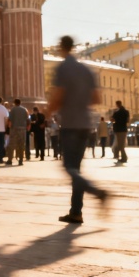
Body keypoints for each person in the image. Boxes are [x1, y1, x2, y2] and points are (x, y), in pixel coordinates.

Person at [46, 35, 109, 224]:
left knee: (70, 168)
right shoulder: (86, 69)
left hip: (71, 124)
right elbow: (97, 98)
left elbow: (59, 95)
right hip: (85, 125)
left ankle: (99, 192)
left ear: (61, 47)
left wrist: (48, 112)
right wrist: (80, 101)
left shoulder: (63, 68)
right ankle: (76, 212)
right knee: (77, 169)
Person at [7, 99, 29, 166]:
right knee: (21, 144)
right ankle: (21, 160)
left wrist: (9, 127)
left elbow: (9, 120)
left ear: (14, 103)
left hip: (14, 128)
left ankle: (10, 159)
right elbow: (27, 118)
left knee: (12, 144)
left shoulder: (13, 110)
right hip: (22, 129)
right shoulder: (24, 110)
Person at [111, 100, 129, 165]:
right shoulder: (126, 111)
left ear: (117, 104)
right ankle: (123, 157)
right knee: (121, 145)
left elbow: (112, 120)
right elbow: (127, 120)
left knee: (120, 145)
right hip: (124, 129)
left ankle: (124, 158)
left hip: (118, 129)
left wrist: (114, 122)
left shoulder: (116, 112)